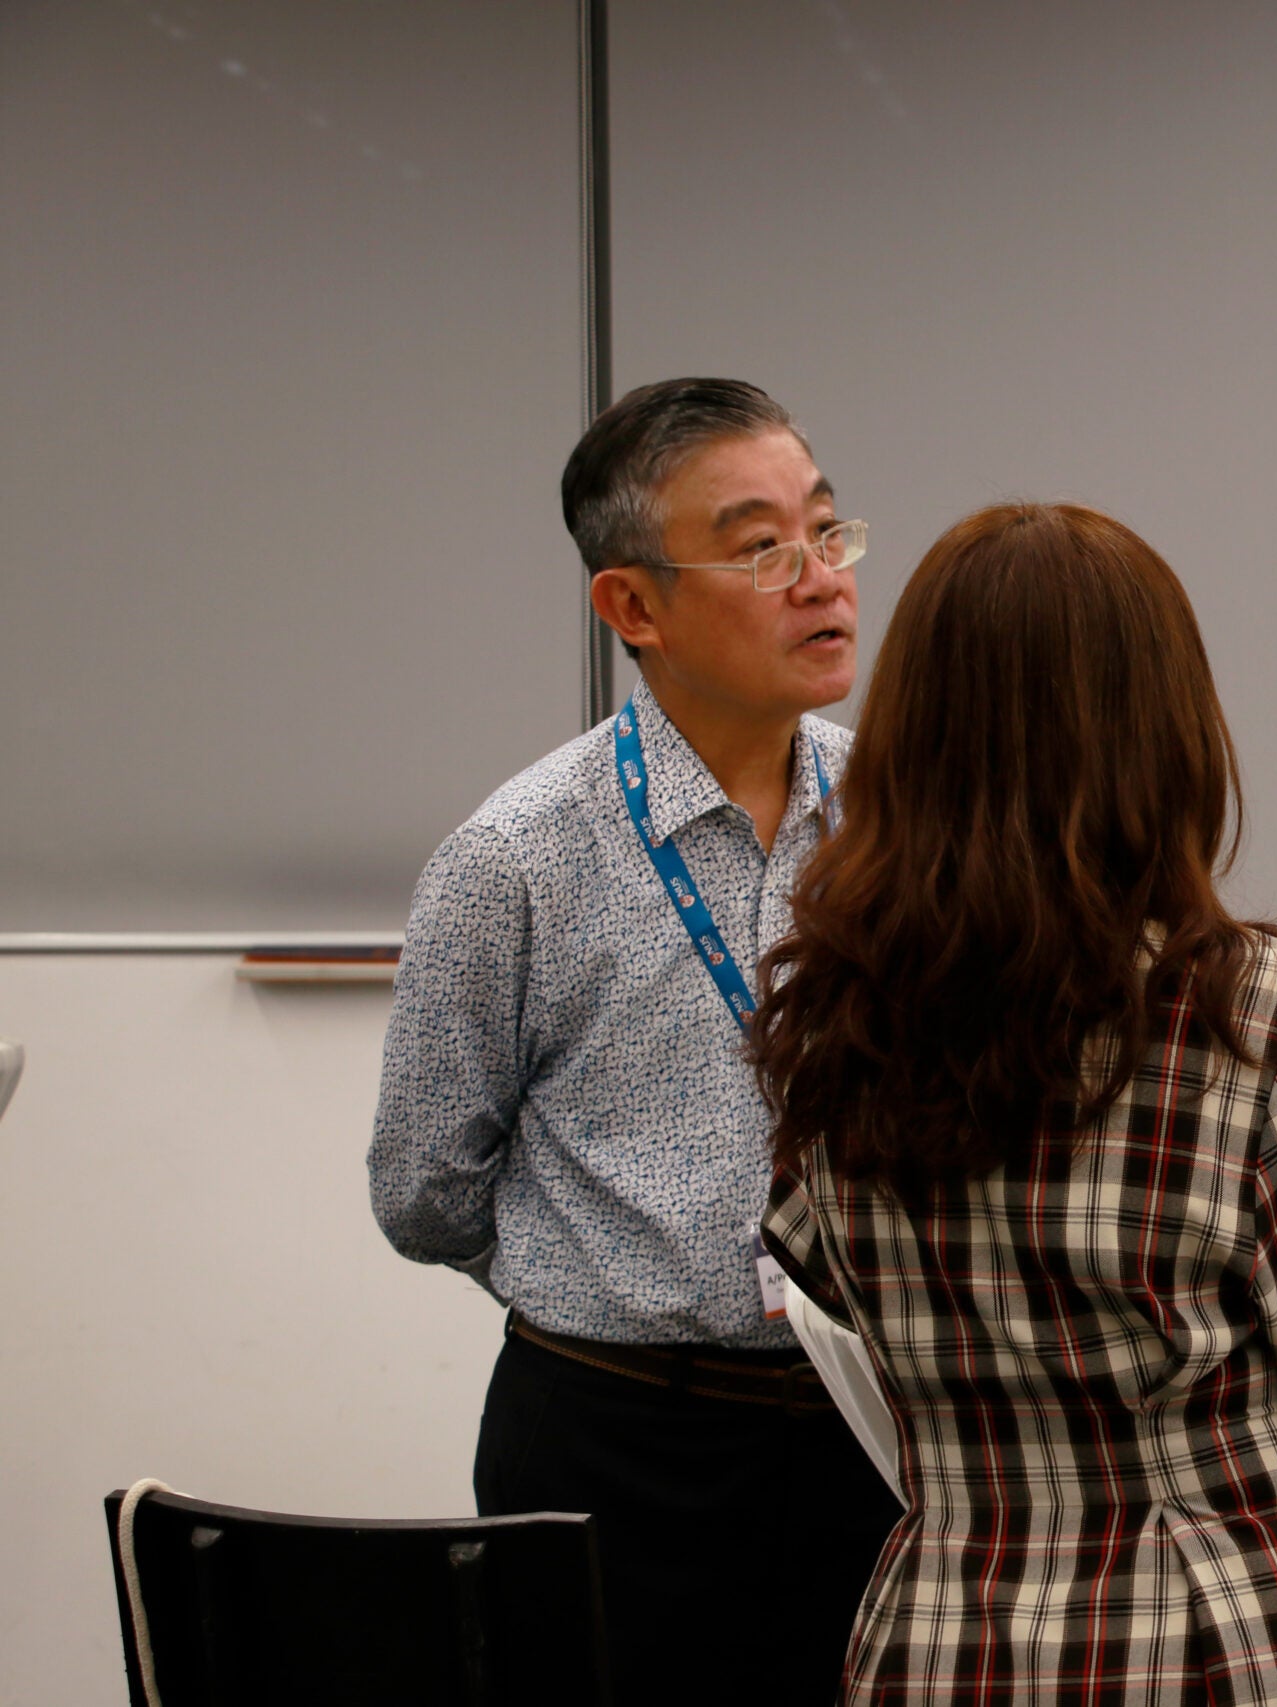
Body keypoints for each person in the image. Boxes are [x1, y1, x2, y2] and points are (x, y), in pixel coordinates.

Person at [748, 501, 1277, 1706]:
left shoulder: (832, 1019)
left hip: (945, 1625)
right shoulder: (1258, 1017)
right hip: (1220, 1626)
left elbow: (821, 1274)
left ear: (907, 738)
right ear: (1168, 734)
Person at [368, 378, 901, 1706]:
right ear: (633, 607)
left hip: (878, 1428)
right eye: (760, 547)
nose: (819, 578)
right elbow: (424, 1188)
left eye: (825, 530)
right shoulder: (517, 859)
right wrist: (606, 1270)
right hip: (614, 1442)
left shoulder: (905, 816)